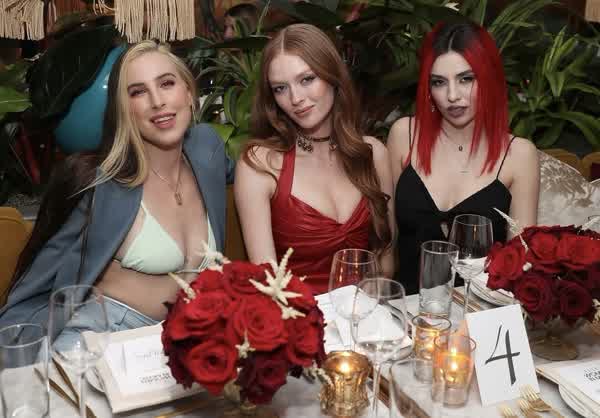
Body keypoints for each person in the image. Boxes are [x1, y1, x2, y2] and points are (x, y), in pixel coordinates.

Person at [0, 41, 235, 342]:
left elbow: (259, 170)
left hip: (194, 335)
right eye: (138, 92)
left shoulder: (207, 148)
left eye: (166, 83)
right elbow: (41, 278)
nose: (157, 101)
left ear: (189, 92)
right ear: (123, 109)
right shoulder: (101, 183)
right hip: (107, 332)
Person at [234, 23, 394, 295]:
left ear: (332, 76)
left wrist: (360, 314)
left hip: (365, 312)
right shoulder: (261, 165)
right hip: (296, 315)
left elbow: (386, 262)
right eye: (280, 88)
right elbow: (268, 283)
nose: (296, 98)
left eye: (307, 79)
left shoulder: (373, 153)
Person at [388, 21, 540, 295]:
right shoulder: (404, 135)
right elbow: (385, 244)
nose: (452, 96)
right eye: (439, 82)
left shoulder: (519, 155)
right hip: (404, 310)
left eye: (466, 79)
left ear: (489, 79)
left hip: (478, 311)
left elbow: (522, 266)